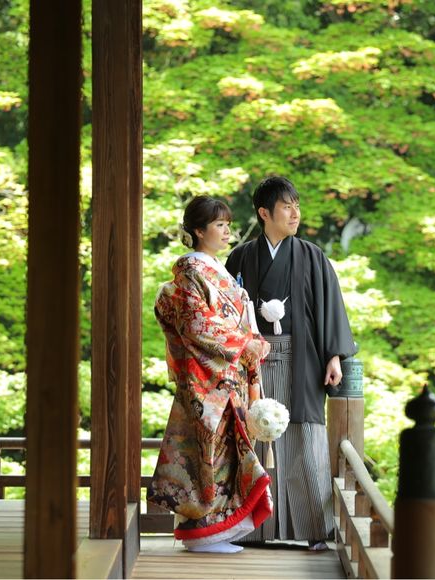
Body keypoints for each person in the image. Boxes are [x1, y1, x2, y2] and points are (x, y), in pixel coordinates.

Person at [225, 176, 356, 551]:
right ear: (265, 213)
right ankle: (251, 528)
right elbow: (228, 312)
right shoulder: (241, 258)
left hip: (301, 359)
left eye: (297, 205)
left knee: (305, 439)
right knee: (251, 437)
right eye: (286, 206)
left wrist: (333, 355)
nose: (295, 213)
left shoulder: (312, 257)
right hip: (252, 361)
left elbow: (330, 307)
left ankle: (314, 529)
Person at [148, 195, 273, 554]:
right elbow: (196, 325)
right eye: (219, 225)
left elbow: (237, 318)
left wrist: (252, 341)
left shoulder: (215, 269)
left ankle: (217, 531)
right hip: (207, 379)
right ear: (199, 231)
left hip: (227, 375)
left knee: (228, 455)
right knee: (209, 456)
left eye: (227, 224)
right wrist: (243, 343)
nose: (227, 231)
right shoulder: (191, 270)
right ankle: (202, 534)